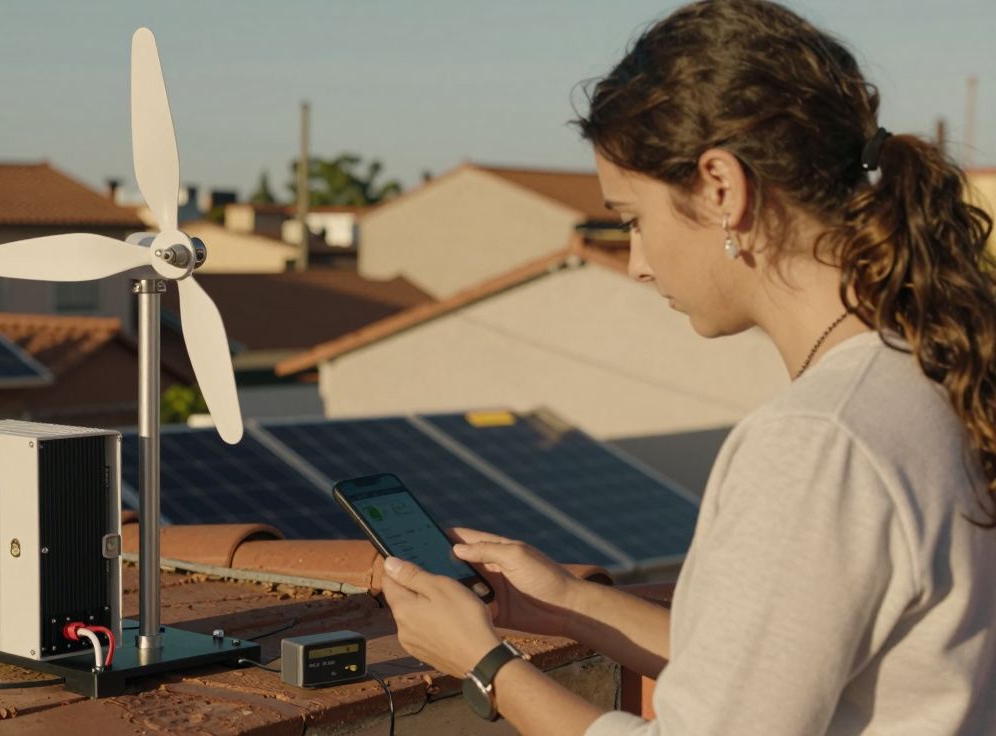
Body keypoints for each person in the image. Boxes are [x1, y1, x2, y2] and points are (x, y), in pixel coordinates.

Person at [376, 1, 996, 734]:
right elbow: (772, 672)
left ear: (721, 188)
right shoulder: (930, 371)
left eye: (633, 218)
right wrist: (570, 602)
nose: (637, 264)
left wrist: (484, 664)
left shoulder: (820, 443)